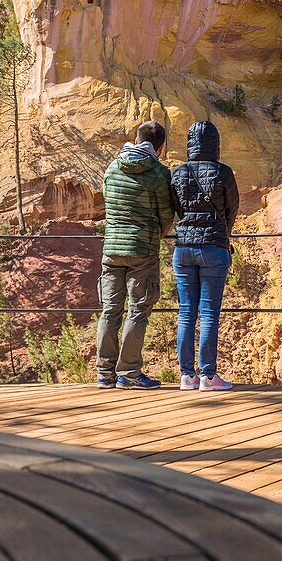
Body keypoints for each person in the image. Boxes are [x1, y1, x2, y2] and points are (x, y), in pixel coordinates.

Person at [96, 120, 174, 390]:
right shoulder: (158, 173)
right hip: (141, 249)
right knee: (138, 309)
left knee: (110, 310)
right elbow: (166, 214)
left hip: (111, 250)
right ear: (159, 147)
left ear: (137, 139)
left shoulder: (112, 167)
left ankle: (104, 374)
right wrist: (157, 234)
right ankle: (128, 373)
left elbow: (108, 203)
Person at [171, 120, 240, 391]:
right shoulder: (223, 172)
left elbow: (177, 208)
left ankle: (188, 376)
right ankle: (209, 377)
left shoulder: (178, 173)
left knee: (186, 312)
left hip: (183, 248)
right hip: (214, 247)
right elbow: (232, 208)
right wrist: (223, 231)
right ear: (216, 143)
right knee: (209, 313)